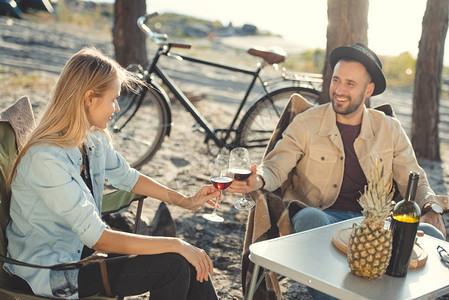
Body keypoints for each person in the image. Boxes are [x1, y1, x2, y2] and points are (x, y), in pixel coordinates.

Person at [230, 43, 447, 299]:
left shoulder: (390, 129)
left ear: (369, 90)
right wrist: (259, 178)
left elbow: (414, 176)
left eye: (350, 84)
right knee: (310, 218)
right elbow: (278, 162)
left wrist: (431, 207)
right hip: (322, 218)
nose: (339, 90)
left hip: (375, 226)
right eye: (336, 80)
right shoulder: (307, 122)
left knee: (433, 237)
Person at [4, 47, 220, 300]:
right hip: (50, 272)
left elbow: (129, 177)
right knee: (174, 263)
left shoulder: (92, 140)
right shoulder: (46, 159)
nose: (117, 108)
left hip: (79, 253)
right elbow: (99, 238)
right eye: (113, 99)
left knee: (187, 263)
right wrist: (176, 244)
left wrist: (185, 200)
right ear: (89, 98)